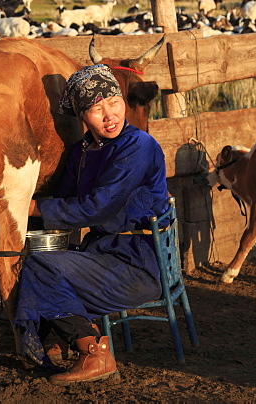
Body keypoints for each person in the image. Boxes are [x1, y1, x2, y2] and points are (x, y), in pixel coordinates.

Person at [13, 63, 169, 384]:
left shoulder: (139, 147)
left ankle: (94, 353)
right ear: (82, 116)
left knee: (41, 270)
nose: (109, 115)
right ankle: (68, 337)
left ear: (123, 102)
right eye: (97, 109)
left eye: (114, 103)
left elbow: (98, 208)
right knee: (31, 264)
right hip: (102, 257)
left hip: (136, 265)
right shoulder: (81, 152)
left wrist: (31, 207)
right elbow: (66, 199)